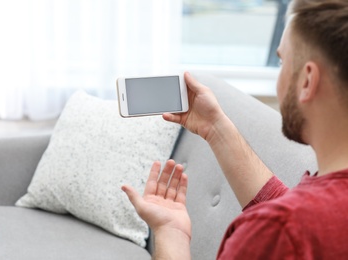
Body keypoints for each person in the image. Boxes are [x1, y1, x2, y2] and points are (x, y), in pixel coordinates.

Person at [122, 0, 348, 258]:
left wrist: (170, 231)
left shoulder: (275, 232)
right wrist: (215, 127)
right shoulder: (307, 219)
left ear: (307, 80)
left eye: (282, 62)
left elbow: (290, 227)